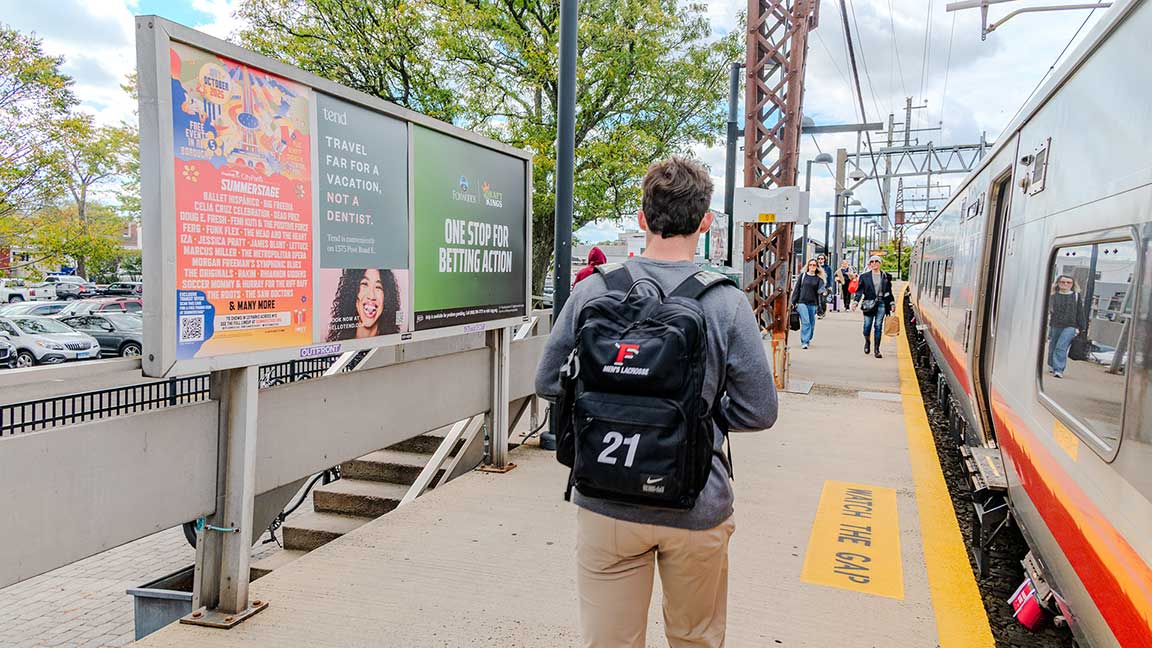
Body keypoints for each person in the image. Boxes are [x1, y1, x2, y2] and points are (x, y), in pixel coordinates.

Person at [535, 156, 778, 648]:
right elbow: (760, 409)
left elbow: (547, 382)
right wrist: (697, 421)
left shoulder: (593, 293)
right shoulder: (725, 302)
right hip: (696, 505)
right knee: (695, 639)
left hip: (605, 498)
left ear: (642, 219)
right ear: (705, 222)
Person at [325, 268, 402, 341]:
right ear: (352, 291)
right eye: (364, 284)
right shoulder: (339, 345)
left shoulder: (391, 344)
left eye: (378, 287)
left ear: (386, 297)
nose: (371, 296)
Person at [853, 255, 895, 358]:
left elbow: (889, 291)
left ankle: (877, 350)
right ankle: (867, 341)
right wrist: (855, 302)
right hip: (868, 303)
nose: (874, 263)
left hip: (882, 303)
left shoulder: (886, 276)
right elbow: (859, 291)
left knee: (878, 326)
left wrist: (892, 303)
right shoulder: (864, 276)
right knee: (867, 326)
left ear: (880, 263)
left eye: (877, 261)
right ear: (869, 264)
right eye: (872, 261)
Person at [1047, 274, 1084, 378]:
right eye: (1063, 282)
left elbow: (1080, 312)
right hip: (1055, 324)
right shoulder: (1053, 295)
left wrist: (1082, 327)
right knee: (1053, 345)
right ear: (1058, 283)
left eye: (1068, 282)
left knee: (1061, 347)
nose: (1065, 284)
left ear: (1072, 284)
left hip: (1070, 325)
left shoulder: (1076, 296)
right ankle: (1051, 364)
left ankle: (1058, 369)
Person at [791, 258, 826, 349]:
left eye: (814, 265)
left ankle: (808, 338)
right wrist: (793, 302)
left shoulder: (819, 279)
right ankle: (805, 341)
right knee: (806, 322)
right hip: (801, 302)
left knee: (811, 323)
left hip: (813, 303)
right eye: (810, 265)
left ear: (817, 267)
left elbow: (821, 291)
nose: (812, 267)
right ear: (808, 266)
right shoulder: (802, 276)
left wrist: (823, 292)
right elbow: (796, 289)